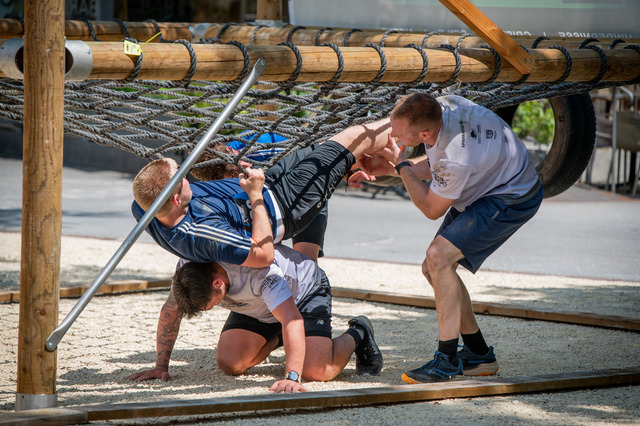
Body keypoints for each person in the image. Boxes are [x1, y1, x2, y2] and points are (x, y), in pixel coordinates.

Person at [359, 93, 543, 384]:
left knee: (438, 257)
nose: (393, 136)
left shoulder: (456, 155)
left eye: (399, 134)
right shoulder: (443, 105)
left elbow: (431, 208)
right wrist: (390, 168)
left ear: (424, 134)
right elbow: (437, 162)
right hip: (486, 180)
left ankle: (446, 362)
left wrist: (402, 165)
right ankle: (479, 354)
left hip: (513, 195)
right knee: (431, 267)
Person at [125, 244, 383, 393]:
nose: (209, 310)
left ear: (218, 283)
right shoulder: (189, 266)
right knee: (231, 362)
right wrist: (161, 366)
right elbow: (171, 311)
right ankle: (284, 339)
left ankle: (359, 333)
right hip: (258, 306)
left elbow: (292, 319)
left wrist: (292, 376)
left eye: (208, 305)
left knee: (316, 371)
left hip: (302, 292)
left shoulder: (259, 273)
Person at [131, 120, 391, 268]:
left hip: (271, 183)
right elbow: (263, 256)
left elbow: (144, 194)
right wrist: (255, 196)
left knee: (330, 149)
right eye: (181, 177)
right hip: (284, 206)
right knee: (355, 137)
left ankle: (399, 153)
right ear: (176, 199)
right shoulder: (199, 230)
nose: (186, 176)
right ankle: (408, 121)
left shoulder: (145, 206)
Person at [189, 132, 327, 262]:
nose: (246, 167)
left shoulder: (261, 145)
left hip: (308, 178)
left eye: (239, 168)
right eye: (234, 176)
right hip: (273, 200)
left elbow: (318, 145)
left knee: (306, 260)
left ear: (232, 151)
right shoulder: (219, 184)